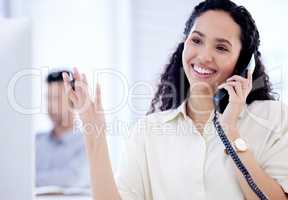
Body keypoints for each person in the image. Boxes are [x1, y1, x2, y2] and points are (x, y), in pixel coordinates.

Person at [63, 0, 288, 199]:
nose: (204, 56)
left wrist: (230, 131)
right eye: (197, 40)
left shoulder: (272, 117)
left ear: (244, 64)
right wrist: (95, 136)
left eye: (221, 47)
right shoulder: (149, 131)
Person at [36, 70, 89, 188]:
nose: (51, 105)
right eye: (48, 98)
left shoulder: (86, 143)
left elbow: (73, 179)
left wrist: (28, 179)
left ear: (74, 100)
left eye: (57, 98)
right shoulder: (36, 141)